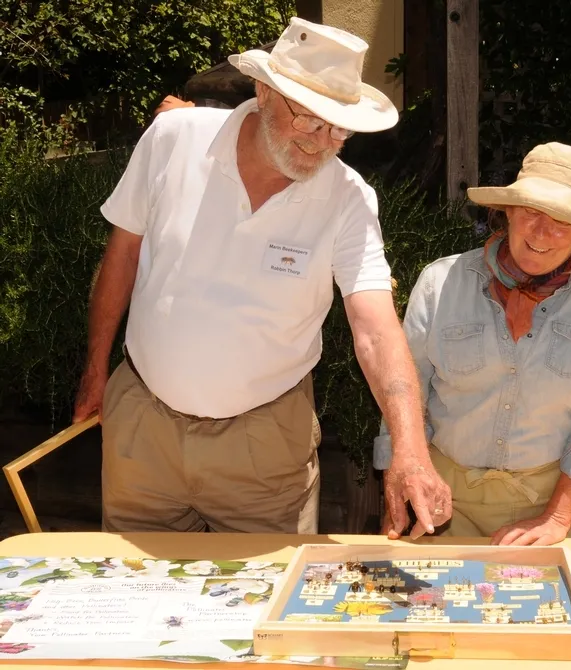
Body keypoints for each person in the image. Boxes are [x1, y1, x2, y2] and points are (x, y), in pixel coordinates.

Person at [73, 17, 452, 535]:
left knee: (265, 604)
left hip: (266, 445)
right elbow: (122, 256)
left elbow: (375, 328)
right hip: (143, 428)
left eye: (340, 128)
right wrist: (95, 371)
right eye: (310, 121)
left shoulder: (348, 198)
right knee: (136, 595)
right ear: (264, 90)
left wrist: (410, 448)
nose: (323, 142)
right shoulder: (173, 139)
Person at [375, 142, 571, 545]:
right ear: (509, 212)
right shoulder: (441, 282)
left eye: (563, 221)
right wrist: (399, 494)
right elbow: (406, 397)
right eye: (532, 211)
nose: (541, 232)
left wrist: (557, 517)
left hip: (555, 508)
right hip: (442, 506)